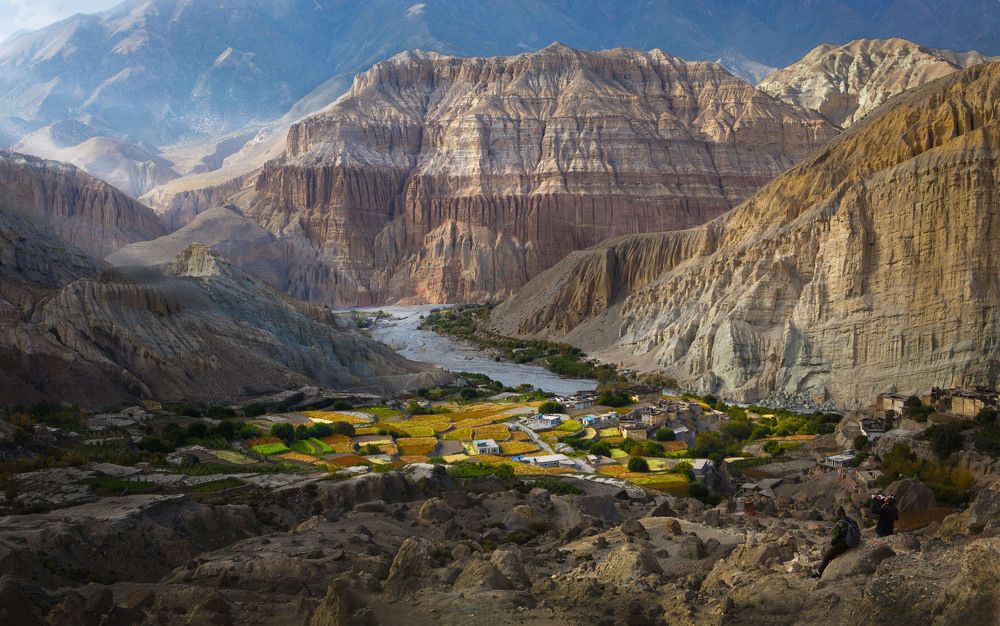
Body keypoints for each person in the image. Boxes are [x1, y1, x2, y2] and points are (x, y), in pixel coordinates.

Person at [813, 506, 858, 578]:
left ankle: (819, 573)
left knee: (826, 556)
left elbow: (834, 539)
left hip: (844, 544)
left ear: (837, 514)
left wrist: (833, 543)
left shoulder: (840, 523)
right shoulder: (849, 520)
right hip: (852, 541)